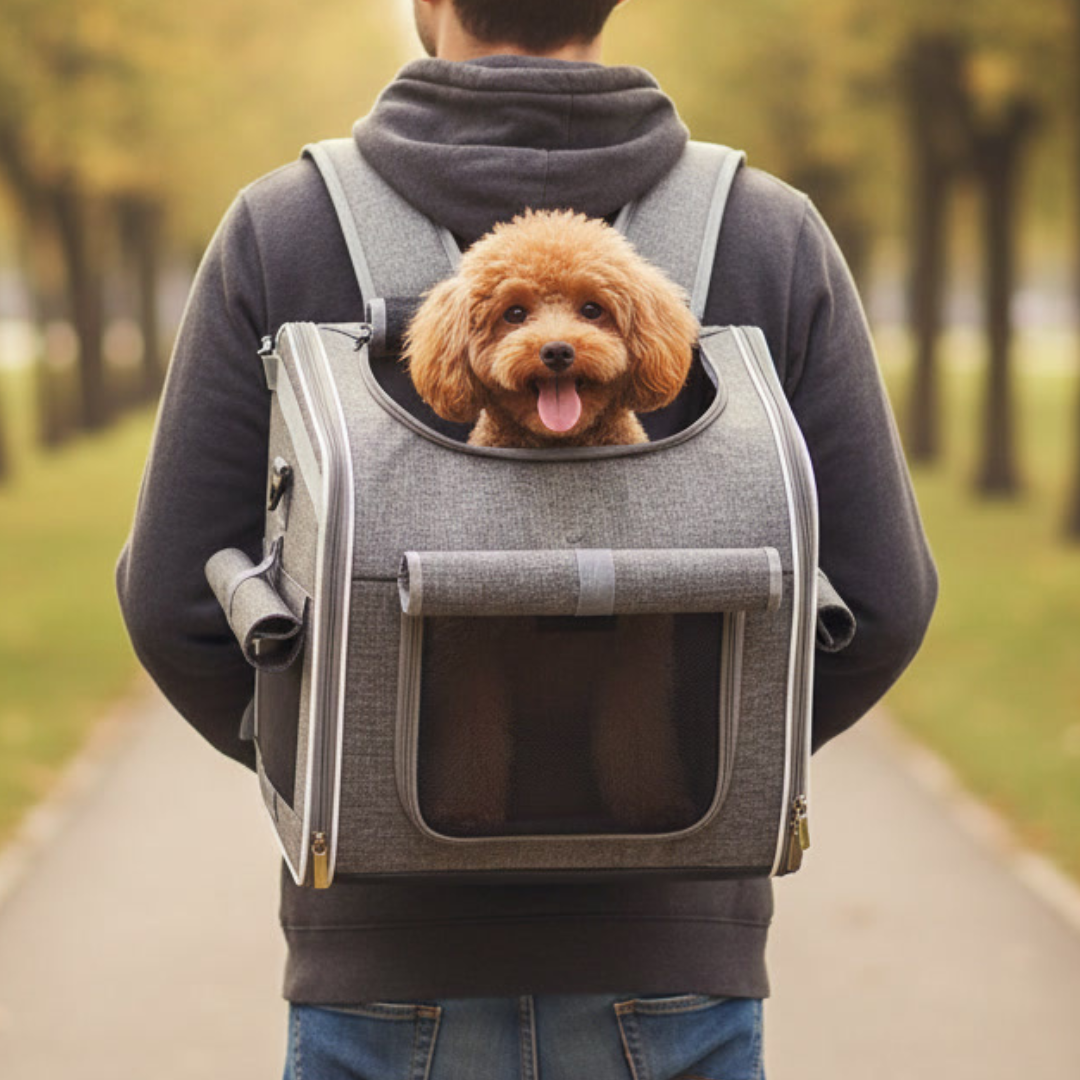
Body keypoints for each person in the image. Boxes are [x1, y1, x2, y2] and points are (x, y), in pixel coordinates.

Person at [116, 1, 938, 1076]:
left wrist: (342, 768)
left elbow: (176, 598)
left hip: (379, 971)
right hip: (678, 963)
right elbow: (882, 601)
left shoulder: (284, 228)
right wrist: (716, 772)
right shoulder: (770, 231)